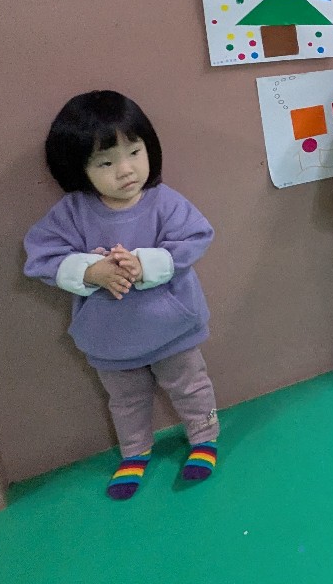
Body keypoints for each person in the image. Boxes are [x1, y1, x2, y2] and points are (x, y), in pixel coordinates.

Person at [24, 91, 219, 500]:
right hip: (110, 337)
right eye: (106, 162)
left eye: (134, 152)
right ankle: (134, 452)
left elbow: (197, 236)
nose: (126, 170)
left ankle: (204, 438)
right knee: (125, 400)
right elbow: (40, 256)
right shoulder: (73, 212)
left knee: (190, 385)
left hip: (173, 327)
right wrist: (90, 270)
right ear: (79, 168)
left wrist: (146, 264)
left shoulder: (164, 201)